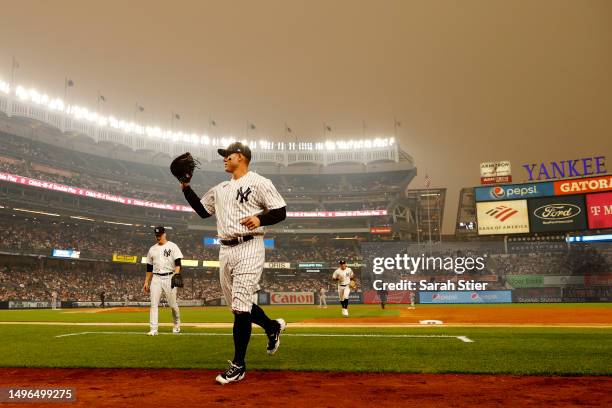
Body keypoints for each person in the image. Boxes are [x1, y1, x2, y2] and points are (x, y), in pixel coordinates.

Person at [180, 142, 287, 384]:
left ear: (241, 156)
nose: (224, 159)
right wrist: (186, 187)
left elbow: (280, 211)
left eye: (227, 155)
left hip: (250, 246)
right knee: (241, 307)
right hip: (225, 250)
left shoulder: (259, 182)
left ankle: (238, 365)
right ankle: (272, 327)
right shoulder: (221, 188)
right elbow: (203, 211)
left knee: (240, 308)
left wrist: (260, 218)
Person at [143, 226, 183, 336]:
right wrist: (146, 281)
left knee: (172, 304)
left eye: (159, 235)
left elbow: (178, 263)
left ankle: (176, 324)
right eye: (156, 235)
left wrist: (177, 274)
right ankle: (153, 329)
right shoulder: (152, 249)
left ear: (164, 234)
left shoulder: (173, 246)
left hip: (170, 277)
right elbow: (149, 268)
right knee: (153, 304)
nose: (158, 237)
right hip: (156, 278)